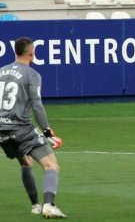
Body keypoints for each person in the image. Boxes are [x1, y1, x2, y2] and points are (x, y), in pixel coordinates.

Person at [0, 37, 66, 218]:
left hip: (1, 129)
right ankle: (49, 205)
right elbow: (37, 104)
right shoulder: (32, 74)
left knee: (25, 163)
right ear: (32, 53)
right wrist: (47, 132)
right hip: (21, 128)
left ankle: (36, 205)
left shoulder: (1, 71)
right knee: (51, 166)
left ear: (15, 52)